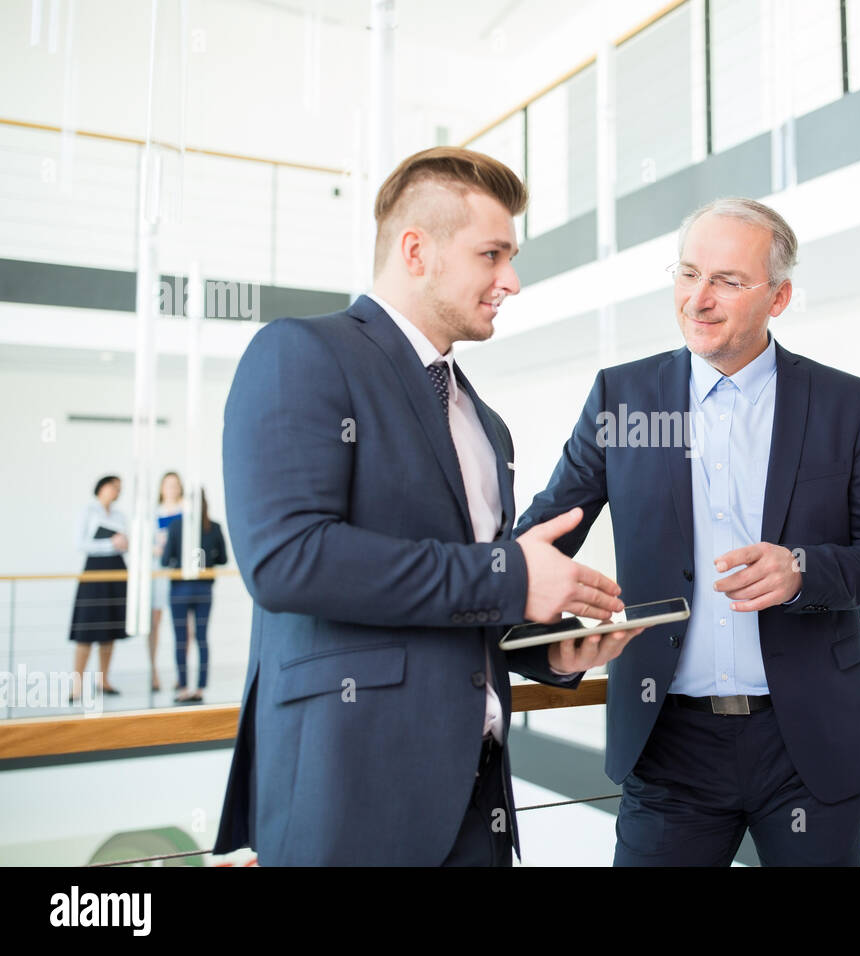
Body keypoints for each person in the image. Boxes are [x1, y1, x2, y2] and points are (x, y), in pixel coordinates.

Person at [212, 146, 641, 866]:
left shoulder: (484, 420)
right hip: (350, 796)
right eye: (492, 254)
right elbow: (288, 560)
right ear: (417, 251)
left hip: (477, 802)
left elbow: (462, 597)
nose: (511, 279)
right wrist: (511, 578)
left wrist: (547, 647)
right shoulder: (301, 353)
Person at [516, 198, 860, 866]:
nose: (698, 299)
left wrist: (803, 571)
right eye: (686, 274)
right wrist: (542, 647)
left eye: (728, 281)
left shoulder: (844, 405)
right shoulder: (623, 399)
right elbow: (539, 541)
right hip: (669, 748)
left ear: (780, 296)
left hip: (810, 749)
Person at [161, 489, 227, 704]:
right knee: (201, 637)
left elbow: (165, 560)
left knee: (181, 639)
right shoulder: (214, 527)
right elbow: (223, 558)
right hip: (203, 590)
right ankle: (199, 687)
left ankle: (183, 686)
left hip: (180, 589)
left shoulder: (176, 526)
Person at [69, 475, 130, 701]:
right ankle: (77, 684)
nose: (117, 491)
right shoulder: (88, 512)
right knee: (86, 629)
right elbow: (80, 543)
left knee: (110, 629)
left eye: (119, 488)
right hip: (95, 571)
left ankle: (103, 679)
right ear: (102, 487)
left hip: (116, 571)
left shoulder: (120, 515)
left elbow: (126, 545)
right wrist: (109, 543)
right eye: (114, 486)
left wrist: (123, 544)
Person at [150, 471, 184, 692]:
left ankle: (182, 675)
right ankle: (153, 672)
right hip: (158, 570)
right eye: (167, 484)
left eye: (174, 484)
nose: (171, 488)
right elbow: (145, 543)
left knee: (183, 626)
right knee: (155, 623)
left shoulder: (187, 511)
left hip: (179, 572)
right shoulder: (153, 513)